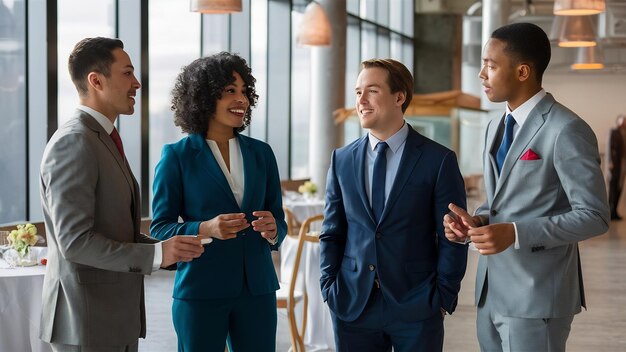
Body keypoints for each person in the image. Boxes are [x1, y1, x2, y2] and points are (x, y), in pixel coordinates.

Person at [444, 23, 610, 352]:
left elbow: (594, 215)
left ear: (522, 71)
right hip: (490, 292)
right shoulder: (495, 126)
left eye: (490, 65)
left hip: (538, 296)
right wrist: (478, 222)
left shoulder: (567, 129)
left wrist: (516, 233)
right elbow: (503, 201)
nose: (481, 74)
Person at [39, 37, 205, 352]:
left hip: (113, 320)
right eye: (127, 73)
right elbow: (74, 242)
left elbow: (113, 231)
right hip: (85, 322)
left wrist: (169, 249)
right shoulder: (74, 142)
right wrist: (156, 255)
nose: (137, 83)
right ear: (96, 80)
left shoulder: (103, 138)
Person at [319, 58, 468, 352]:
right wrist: (329, 287)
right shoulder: (342, 160)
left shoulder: (438, 160)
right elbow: (332, 232)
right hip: (353, 305)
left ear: (399, 97)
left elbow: (454, 236)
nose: (360, 100)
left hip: (417, 306)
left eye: (371, 90)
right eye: (357, 91)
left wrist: (443, 296)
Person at [149, 52, 287, 352]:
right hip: (201, 288)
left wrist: (273, 229)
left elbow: (279, 219)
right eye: (230, 91)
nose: (242, 100)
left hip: (258, 288)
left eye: (244, 92)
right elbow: (159, 229)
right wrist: (205, 229)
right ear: (204, 96)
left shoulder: (262, 154)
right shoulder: (177, 156)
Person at [607, 114, 626, 220]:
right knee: (613, 187)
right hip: (615, 165)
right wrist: (611, 162)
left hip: (622, 165)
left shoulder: (624, 133)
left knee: (619, 187)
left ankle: (615, 211)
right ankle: (611, 211)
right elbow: (612, 148)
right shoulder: (614, 132)